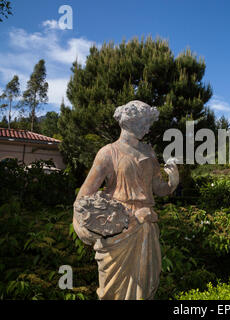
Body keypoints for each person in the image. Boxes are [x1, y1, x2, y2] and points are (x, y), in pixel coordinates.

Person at [73, 100, 179, 300]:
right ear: (129, 122)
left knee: (146, 287)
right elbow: (83, 199)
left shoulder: (149, 152)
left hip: (147, 228)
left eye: (149, 124)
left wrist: (172, 183)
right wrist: (91, 227)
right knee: (114, 292)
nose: (147, 129)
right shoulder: (108, 153)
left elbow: (158, 188)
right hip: (119, 230)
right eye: (144, 123)